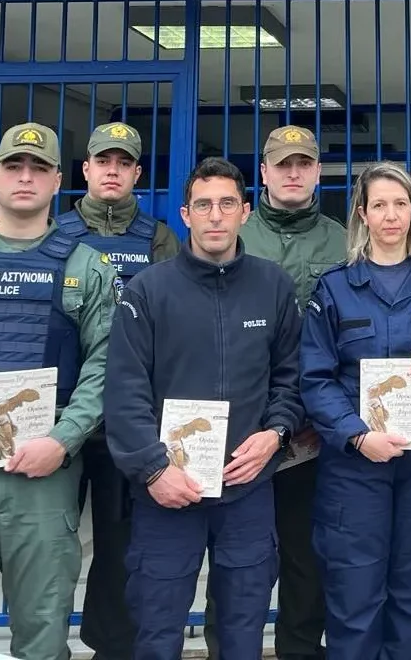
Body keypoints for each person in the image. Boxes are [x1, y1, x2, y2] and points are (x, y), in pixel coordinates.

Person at [103, 157, 305, 660]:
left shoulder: (274, 286)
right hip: (167, 492)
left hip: (246, 486)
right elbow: (125, 391)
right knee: (157, 629)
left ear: (245, 212)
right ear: (185, 214)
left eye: (227, 204)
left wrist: (276, 433)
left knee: (242, 629)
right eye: (203, 205)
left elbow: (291, 377)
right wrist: (153, 470)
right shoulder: (148, 291)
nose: (215, 216)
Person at [0, 122, 117, 660]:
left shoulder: (85, 267)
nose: (26, 177)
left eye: (39, 168)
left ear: (58, 181)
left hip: (42, 473)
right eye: (14, 167)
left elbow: (106, 366)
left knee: (42, 630)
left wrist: (63, 439)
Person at [299, 161, 411, 660]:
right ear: (362, 214)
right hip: (355, 464)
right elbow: (315, 377)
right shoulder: (335, 287)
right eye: (379, 205)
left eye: (401, 204)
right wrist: (357, 436)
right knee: (354, 595)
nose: (391, 215)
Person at [203, 126, 346, 660]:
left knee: (308, 561)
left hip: (314, 432)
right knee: (237, 562)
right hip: (239, 432)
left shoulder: (343, 241)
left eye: (303, 164)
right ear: (262, 172)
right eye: (282, 164)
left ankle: (300, 651)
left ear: (317, 172)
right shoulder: (233, 233)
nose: (292, 173)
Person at [53, 120, 181, 660]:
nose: (112, 171)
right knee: (50, 546)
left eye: (123, 163)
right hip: (58, 415)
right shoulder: (54, 233)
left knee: (117, 548)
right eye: (103, 161)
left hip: (123, 423)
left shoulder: (158, 238)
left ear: (137, 173)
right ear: (85, 169)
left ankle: (110, 649)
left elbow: (175, 321)